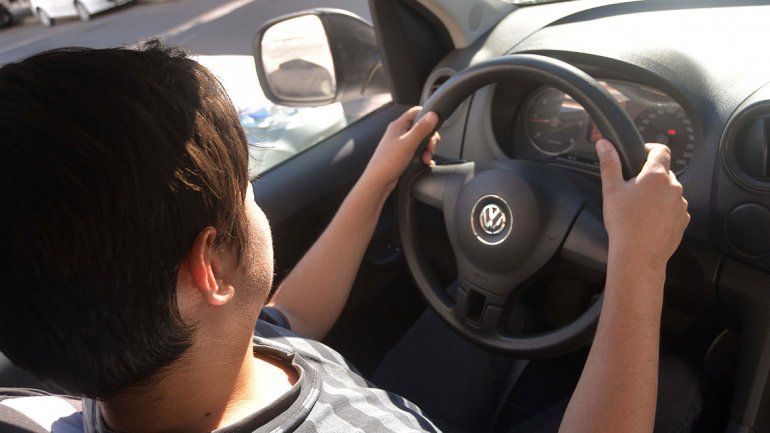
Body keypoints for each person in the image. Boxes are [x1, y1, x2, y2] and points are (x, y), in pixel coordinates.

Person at [0, 42, 692, 433]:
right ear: (210, 265)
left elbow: (288, 319)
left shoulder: (144, 378)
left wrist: (376, 182)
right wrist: (639, 262)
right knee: (679, 386)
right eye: (246, 188)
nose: (254, 198)